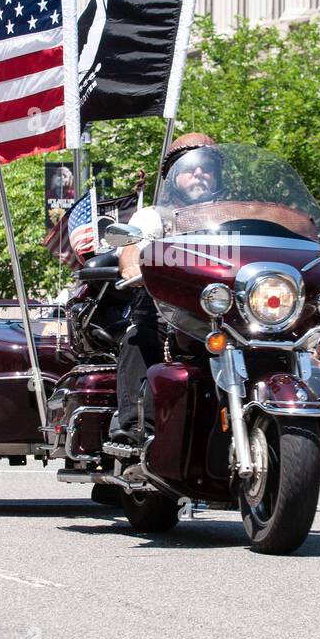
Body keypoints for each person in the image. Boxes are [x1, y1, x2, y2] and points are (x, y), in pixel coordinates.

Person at [112, 133, 225, 445]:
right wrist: (133, 266)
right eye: (190, 168)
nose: (199, 173)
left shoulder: (232, 218)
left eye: (206, 167)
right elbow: (132, 246)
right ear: (173, 175)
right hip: (167, 315)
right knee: (139, 336)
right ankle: (137, 430)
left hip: (221, 317)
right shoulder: (154, 216)